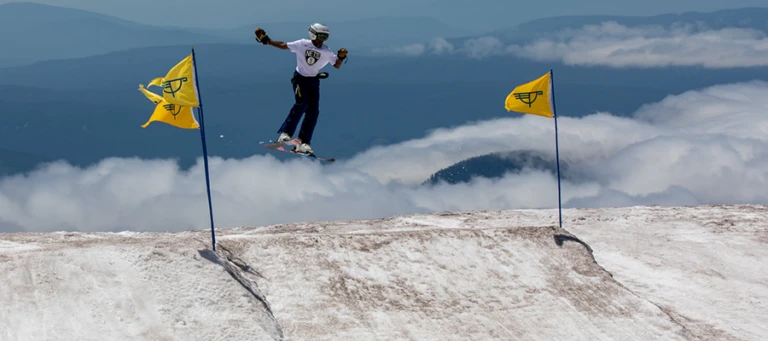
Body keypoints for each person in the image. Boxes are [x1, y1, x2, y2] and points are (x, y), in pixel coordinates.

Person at [254, 23, 347, 155]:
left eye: (325, 37)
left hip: (314, 81)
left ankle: (304, 142)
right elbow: (283, 45)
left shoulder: (326, 51)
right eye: (321, 36)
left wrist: (341, 57)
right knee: (301, 104)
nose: (322, 40)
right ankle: (285, 133)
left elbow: (336, 65)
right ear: (313, 34)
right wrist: (267, 41)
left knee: (313, 111)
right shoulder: (302, 44)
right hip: (300, 79)